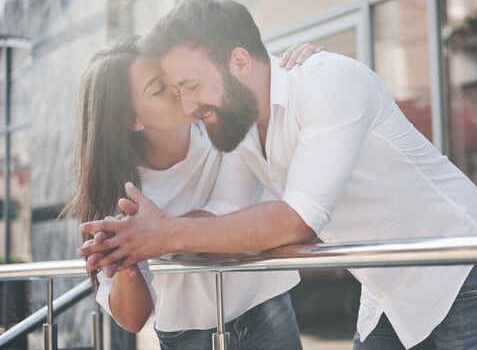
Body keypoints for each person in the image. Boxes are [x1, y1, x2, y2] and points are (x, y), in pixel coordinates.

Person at [80, 0, 477, 350]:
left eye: (191, 87)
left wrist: (161, 236)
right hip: (387, 287)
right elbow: (220, 223)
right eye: (175, 90)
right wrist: (141, 241)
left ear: (238, 62)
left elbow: (298, 220)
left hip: (462, 269)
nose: (187, 104)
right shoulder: (234, 128)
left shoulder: (324, 82)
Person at [64, 35, 323, 349]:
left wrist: (303, 71)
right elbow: (131, 319)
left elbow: (224, 215)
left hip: (264, 309)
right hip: (185, 336)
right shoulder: (120, 188)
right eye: (159, 89)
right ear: (131, 119)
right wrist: (127, 263)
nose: (178, 90)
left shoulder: (226, 129)